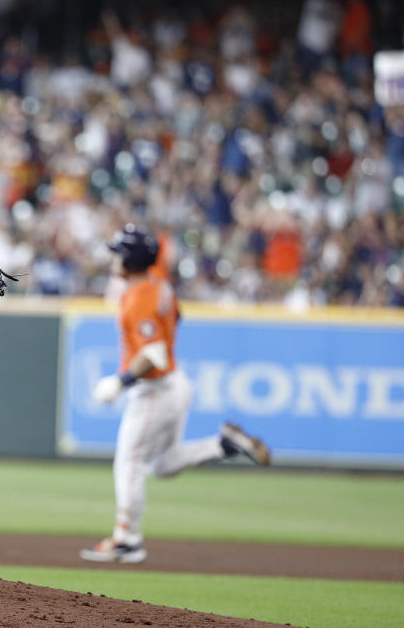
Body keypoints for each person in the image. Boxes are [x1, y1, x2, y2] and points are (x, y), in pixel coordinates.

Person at [80, 225, 270, 565]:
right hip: (175, 384)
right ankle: (223, 445)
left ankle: (126, 539)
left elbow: (154, 354)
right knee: (163, 465)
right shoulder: (157, 284)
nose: (113, 258)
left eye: (118, 252)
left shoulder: (140, 296)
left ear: (130, 258)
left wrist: (120, 382)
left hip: (155, 390)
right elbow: (175, 318)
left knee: (129, 463)